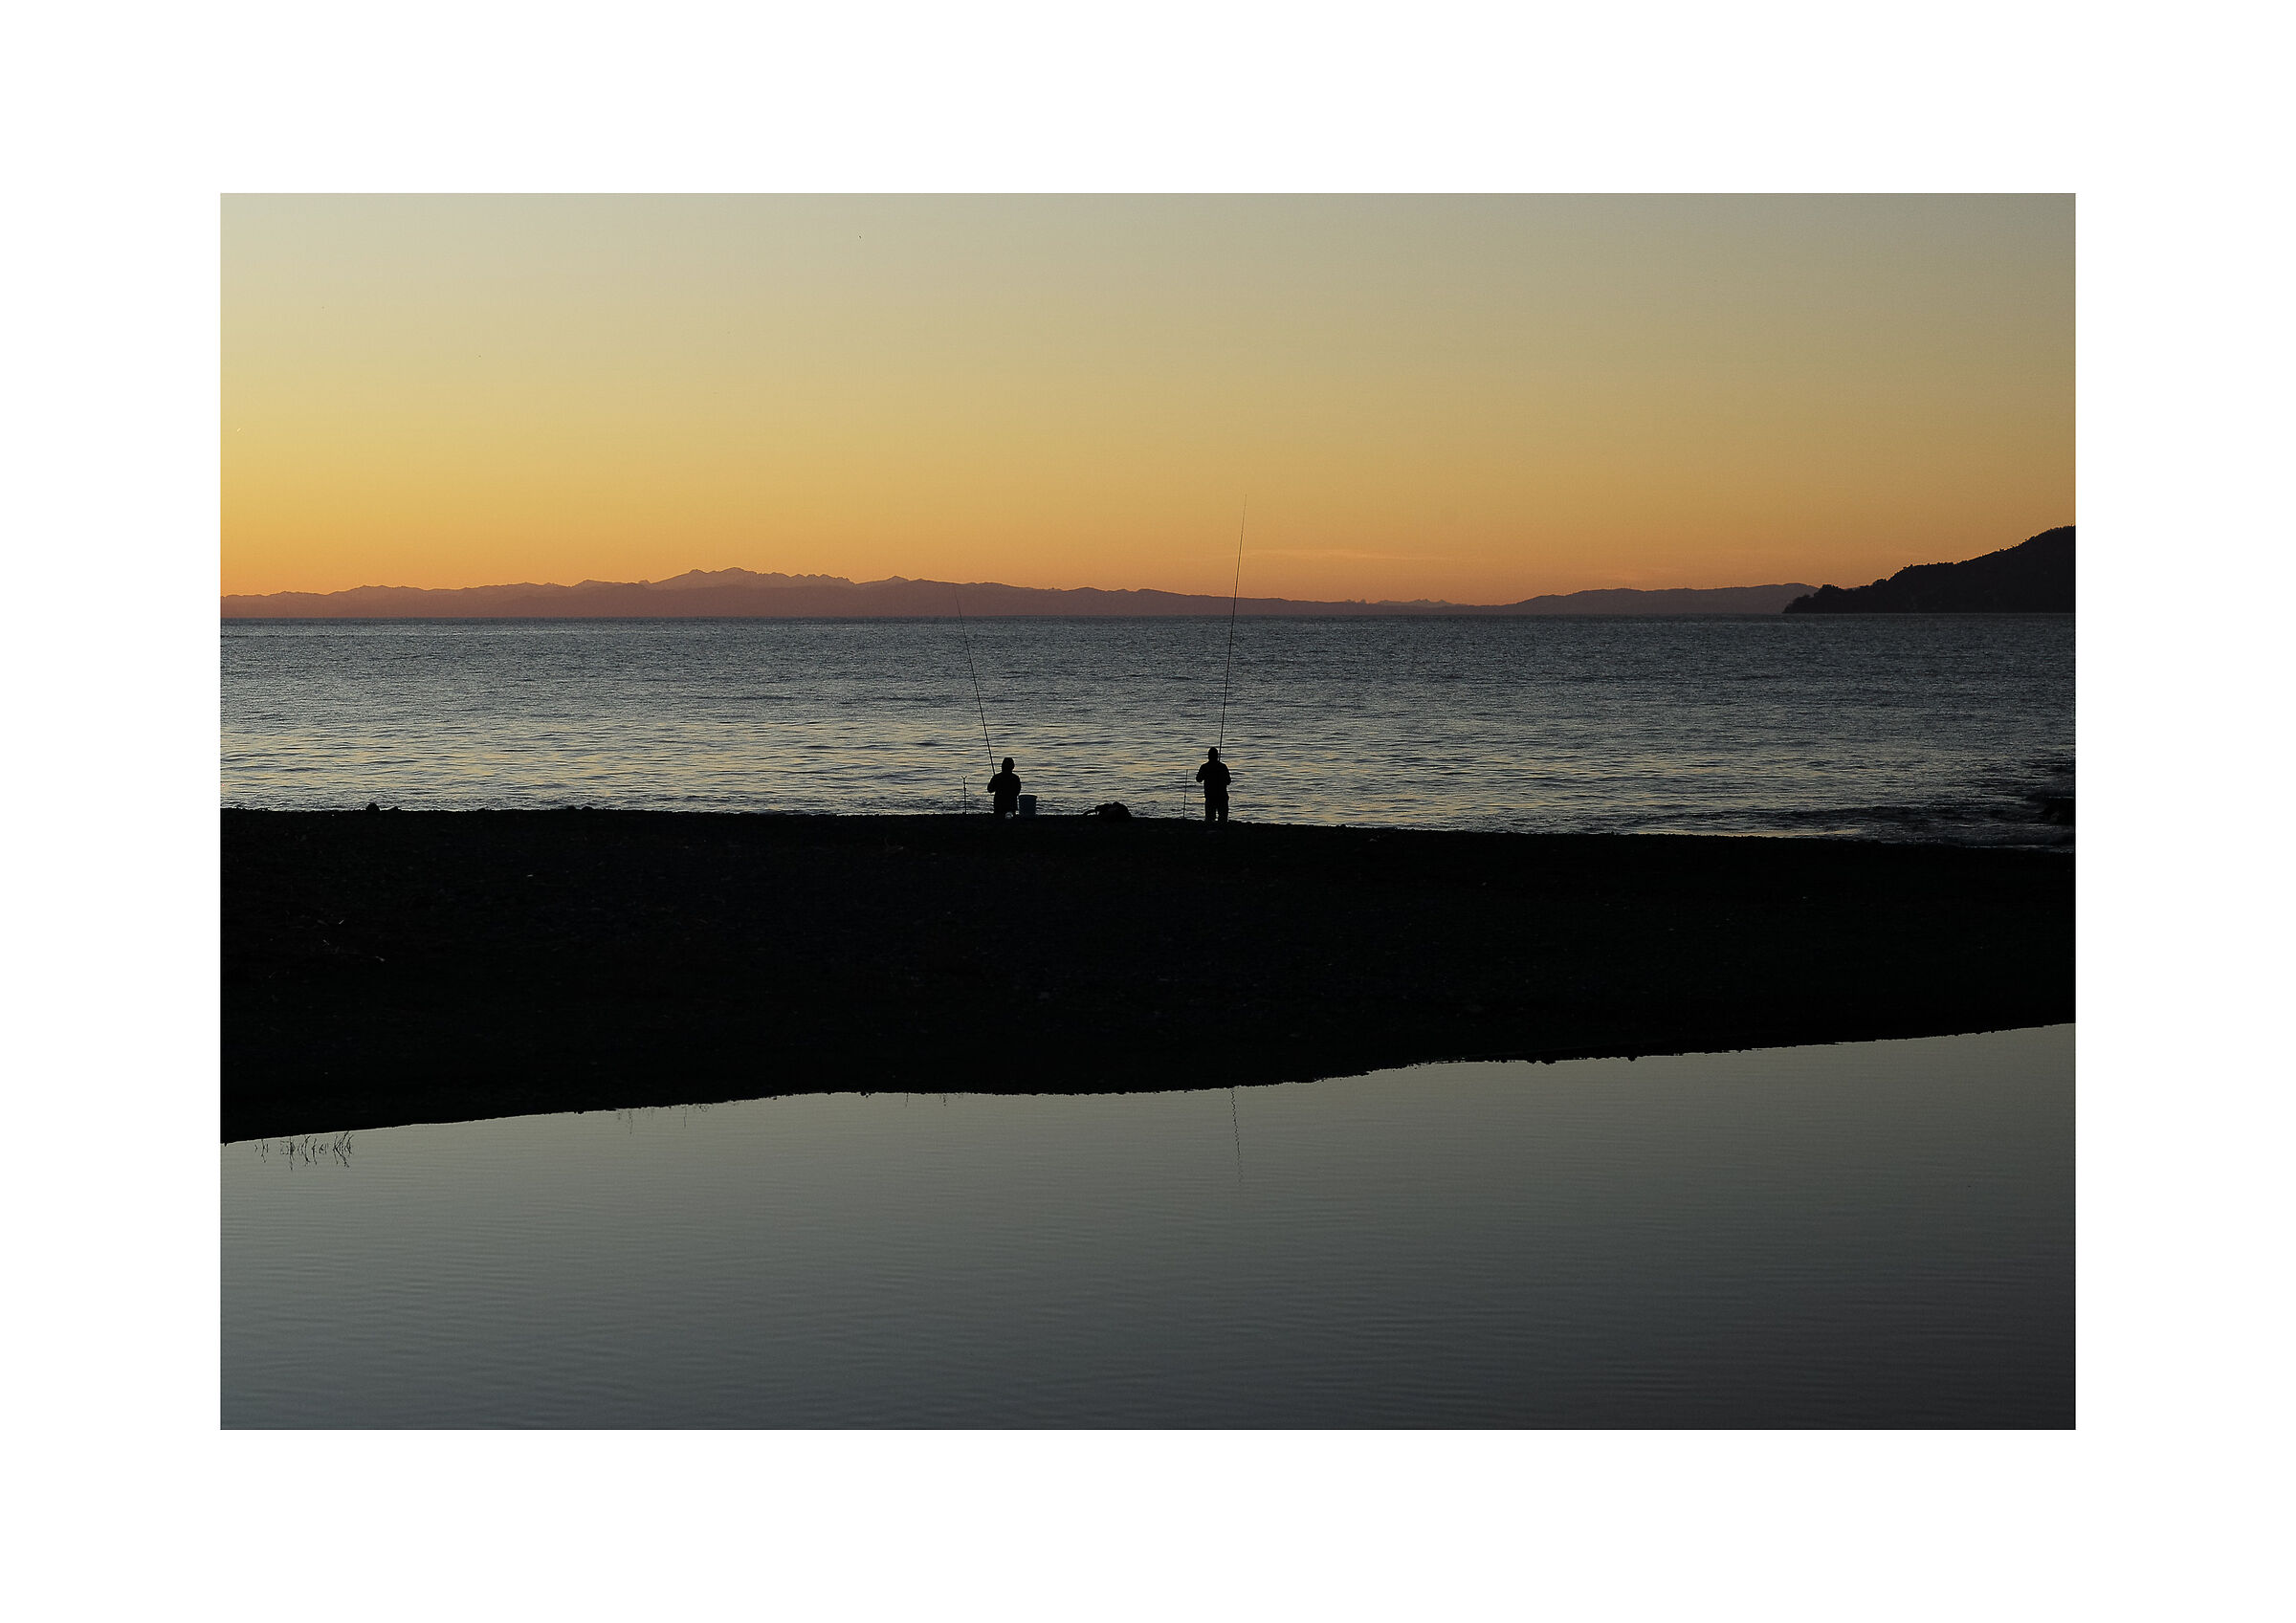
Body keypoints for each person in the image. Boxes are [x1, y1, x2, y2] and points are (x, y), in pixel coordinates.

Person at [1195, 747, 1231, 823]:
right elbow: (1228, 781)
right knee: (1223, 819)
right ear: (1217, 756)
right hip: (1222, 796)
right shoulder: (1223, 767)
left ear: (1208, 756)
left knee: (1209, 819)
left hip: (1210, 796)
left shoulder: (1204, 767)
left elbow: (1198, 779)